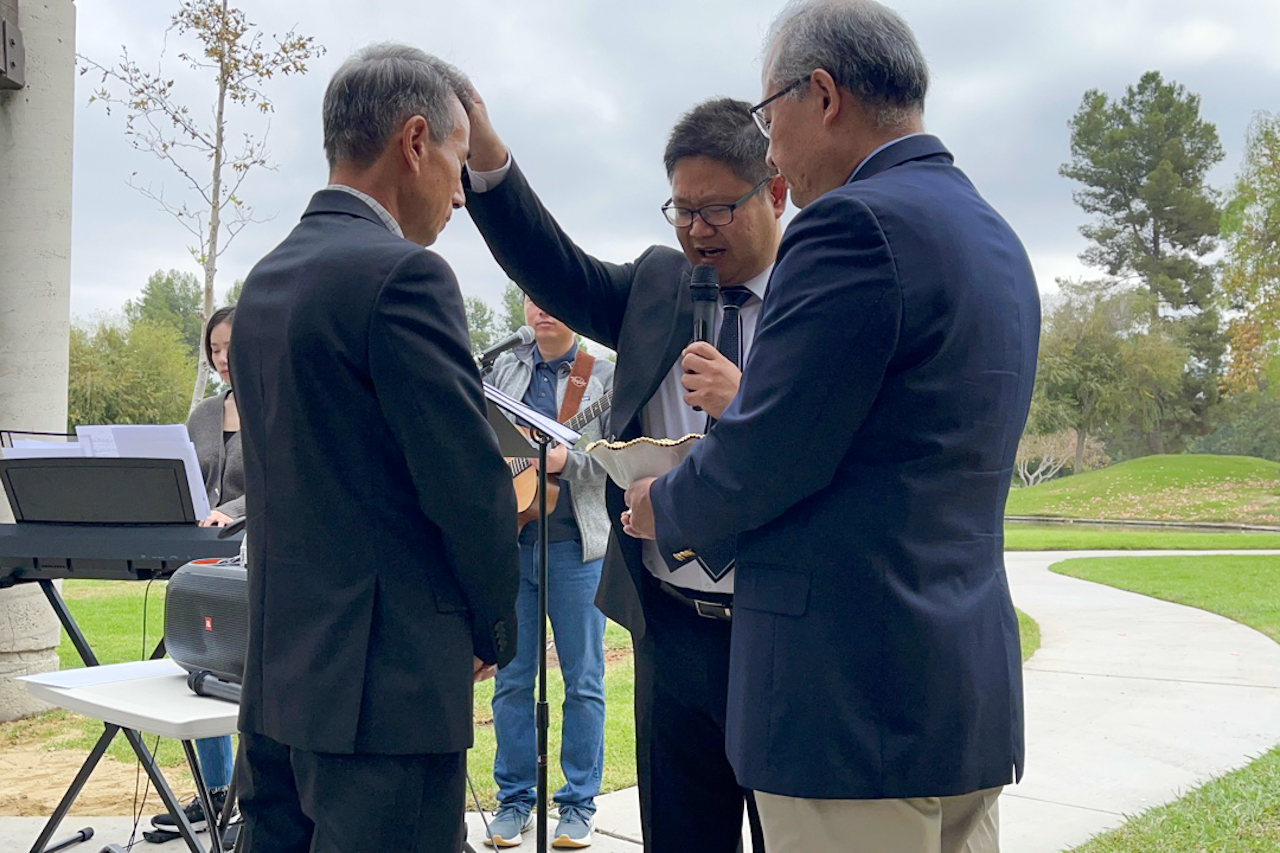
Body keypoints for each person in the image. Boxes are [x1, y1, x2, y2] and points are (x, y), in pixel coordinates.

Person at [621, 2, 1039, 851]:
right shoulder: (993, 235)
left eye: (768, 118)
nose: (771, 150)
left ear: (822, 94)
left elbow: (769, 449)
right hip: (961, 696)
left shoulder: (849, 226)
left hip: (849, 706)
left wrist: (662, 504)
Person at [466, 97, 783, 852]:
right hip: (669, 628)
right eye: (682, 210)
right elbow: (553, 265)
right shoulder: (658, 286)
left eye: (718, 209)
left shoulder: (820, 294)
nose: (697, 230)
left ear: (775, 191)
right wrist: (486, 158)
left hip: (780, 635)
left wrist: (746, 401)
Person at [229, 44, 519, 853]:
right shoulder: (404, 278)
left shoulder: (264, 281)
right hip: (386, 692)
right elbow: (469, 486)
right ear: (415, 141)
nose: (459, 195)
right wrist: (491, 628)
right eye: (459, 163)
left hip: (278, 682)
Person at [483, 296, 614, 848]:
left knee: (583, 680)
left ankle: (578, 805)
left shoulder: (603, 376)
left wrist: (569, 460)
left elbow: (619, 454)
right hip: (511, 544)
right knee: (512, 679)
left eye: (554, 298)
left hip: (576, 550)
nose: (543, 309)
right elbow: (482, 438)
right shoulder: (501, 369)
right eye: (533, 299)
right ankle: (514, 801)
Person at [148, 306, 241, 838]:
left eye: (231, 347)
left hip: (253, 558)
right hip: (199, 564)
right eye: (214, 349)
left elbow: (282, 479)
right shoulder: (204, 414)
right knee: (202, 670)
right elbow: (184, 476)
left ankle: (253, 799)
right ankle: (215, 793)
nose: (222, 358)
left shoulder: (280, 405)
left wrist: (231, 511)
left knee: (245, 675)